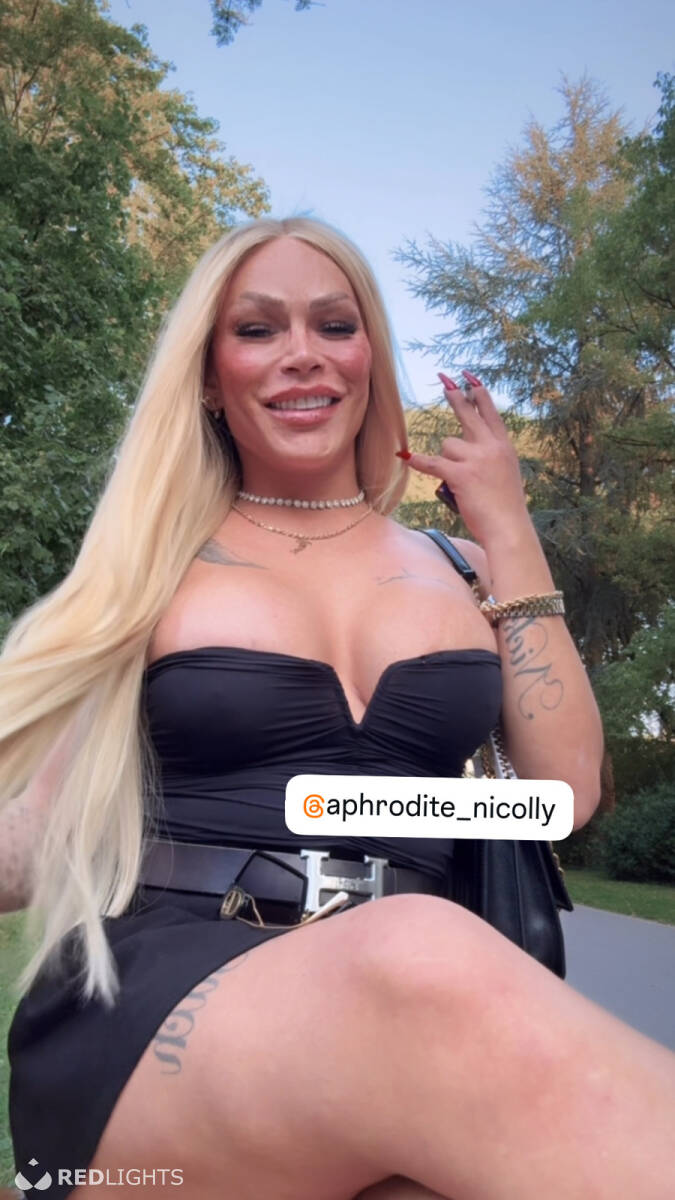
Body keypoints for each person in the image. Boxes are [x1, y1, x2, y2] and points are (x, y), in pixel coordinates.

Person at [1, 215, 673, 1200]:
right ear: (208, 374)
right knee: (417, 948)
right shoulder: (149, 564)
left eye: (334, 324)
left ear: (370, 356)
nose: (303, 354)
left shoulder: (466, 568)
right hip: (168, 1004)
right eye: (258, 329)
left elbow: (563, 796)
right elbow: (34, 828)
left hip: (415, 1009)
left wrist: (510, 530)